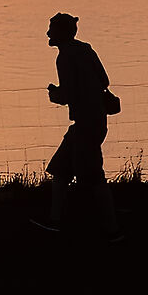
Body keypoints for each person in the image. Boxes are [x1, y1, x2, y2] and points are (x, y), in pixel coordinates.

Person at [39, 12, 120, 239]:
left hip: (85, 123)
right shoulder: (86, 49)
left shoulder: (64, 57)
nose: (47, 33)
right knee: (61, 169)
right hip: (94, 121)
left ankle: (112, 230)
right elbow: (104, 81)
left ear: (62, 33)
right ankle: (55, 221)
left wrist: (54, 94)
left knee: (94, 177)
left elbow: (67, 94)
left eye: (51, 29)